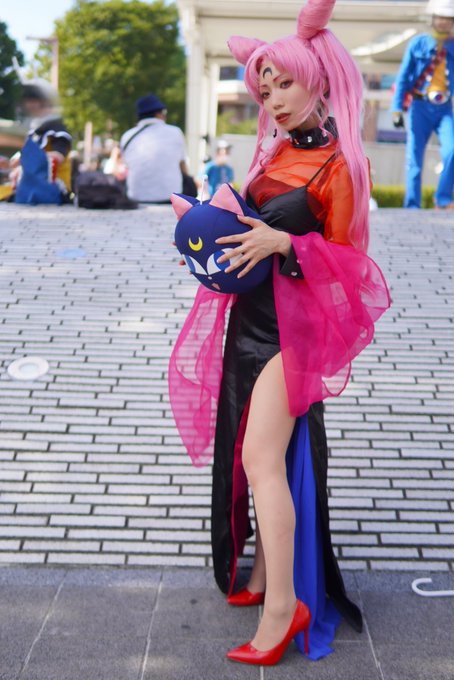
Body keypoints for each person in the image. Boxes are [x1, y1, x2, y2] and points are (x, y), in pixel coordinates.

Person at [169, 0, 390, 667]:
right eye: (266, 90)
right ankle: (265, 574)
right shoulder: (273, 152)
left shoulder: (342, 166)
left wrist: (286, 245)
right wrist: (210, 234)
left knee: (260, 460)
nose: (275, 99)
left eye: (285, 83)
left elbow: (352, 266)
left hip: (294, 331)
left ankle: (282, 609)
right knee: (258, 455)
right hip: (251, 318)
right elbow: (251, 225)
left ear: (316, 79)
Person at [392, 0, 454, 209]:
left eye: (449, 18)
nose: (444, 22)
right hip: (419, 106)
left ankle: (443, 199)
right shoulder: (418, 43)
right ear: (432, 18)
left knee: (452, 150)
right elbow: (403, 77)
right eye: (441, 17)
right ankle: (412, 205)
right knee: (414, 157)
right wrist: (396, 109)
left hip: (445, 108)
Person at [120, 93, 190, 203]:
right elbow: (182, 166)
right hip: (171, 198)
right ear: (158, 114)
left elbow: (127, 165)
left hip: (136, 198)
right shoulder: (176, 132)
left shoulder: (127, 136)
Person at [13, 79, 72, 205]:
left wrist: (33, 161)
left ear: (44, 101)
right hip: (32, 186)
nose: (28, 104)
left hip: (54, 188)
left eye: (32, 100)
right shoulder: (34, 131)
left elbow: (58, 156)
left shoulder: (57, 130)